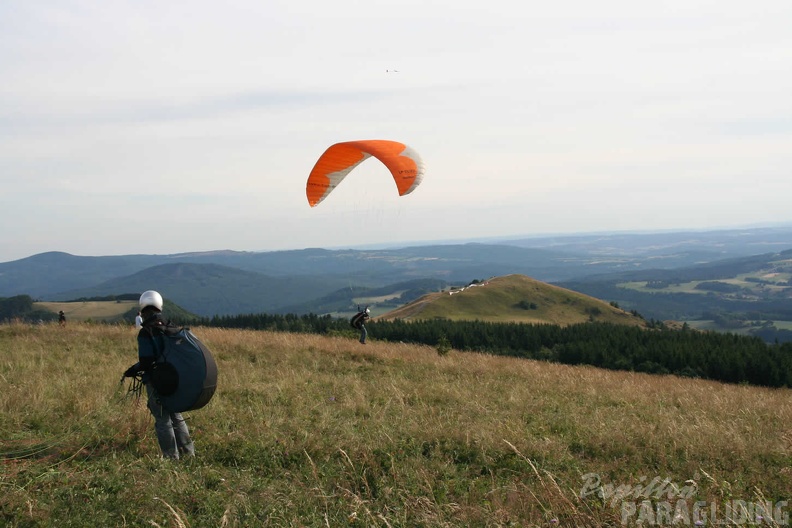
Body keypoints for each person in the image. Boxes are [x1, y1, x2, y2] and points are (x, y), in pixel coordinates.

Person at [124, 290, 195, 459]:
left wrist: (133, 370)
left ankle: (171, 457)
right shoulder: (170, 326)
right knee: (176, 415)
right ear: (159, 305)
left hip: (157, 381)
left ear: (143, 307)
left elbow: (147, 361)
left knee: (162, 419)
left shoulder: (146, 331)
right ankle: (188, 453)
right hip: (174, 378)